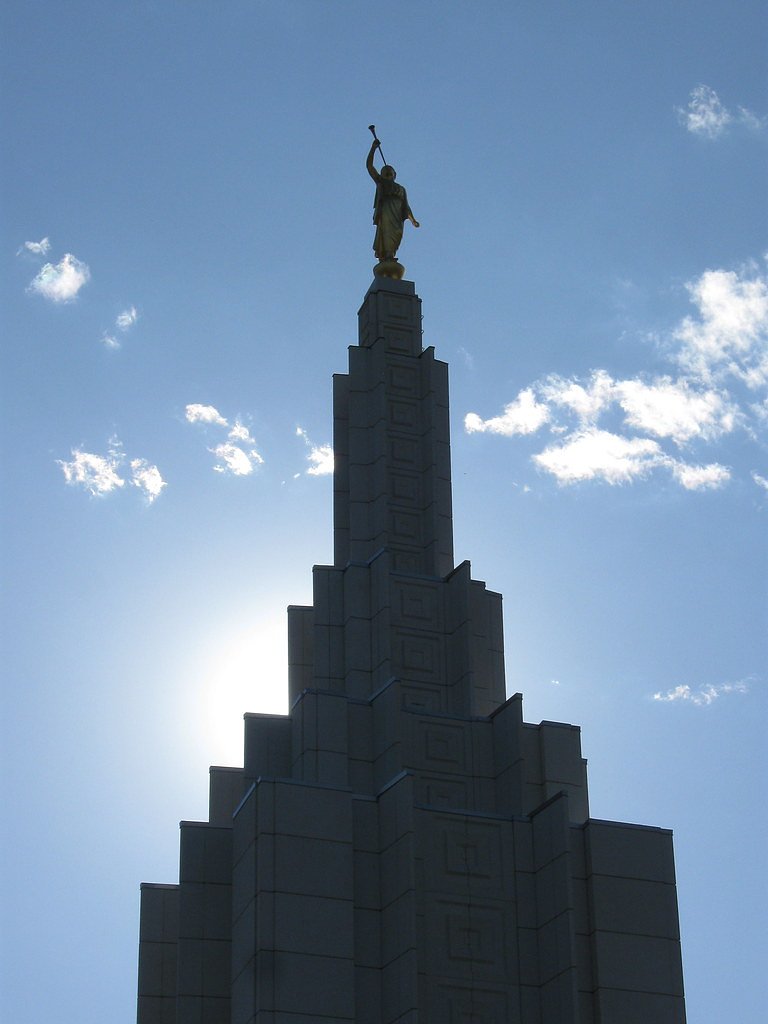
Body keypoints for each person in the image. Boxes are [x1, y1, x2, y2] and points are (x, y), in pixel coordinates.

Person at [366, 138, 419, 263]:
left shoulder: (401, 189)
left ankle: (391, 253)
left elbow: (406, 207)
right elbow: (369, 166)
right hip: (386, 212)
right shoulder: (381, 183)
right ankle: (387, 255)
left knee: (396, 235)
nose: (388, 175)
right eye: (385, 173)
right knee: (386, 234)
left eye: (390, 173)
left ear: (395, 175)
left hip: (397, 216)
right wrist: (373, 148)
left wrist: (413, 220)